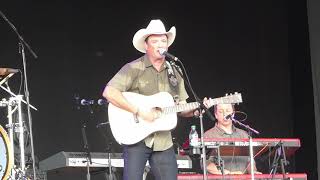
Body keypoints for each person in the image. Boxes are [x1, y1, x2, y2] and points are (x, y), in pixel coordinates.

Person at [102, 19, 196, 180]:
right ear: (146, 45)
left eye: (163, 40)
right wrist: (139, 111)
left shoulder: (175, 70)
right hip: (137, 139)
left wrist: (196, 109)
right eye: (155, 41)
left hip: (163, 141)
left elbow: (181, 107)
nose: (160, 44)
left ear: (168, 45)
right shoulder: (134, 68)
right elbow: (109, 92)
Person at [203, 103, 261, 175]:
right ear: (216, 115)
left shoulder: (243, 134)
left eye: (228, 110)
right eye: (221, 111)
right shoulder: (208, 136)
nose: (225, 114)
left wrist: (253, 172)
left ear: (233, 113)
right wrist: (229, 174)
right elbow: (206, 164)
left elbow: (249, 160)